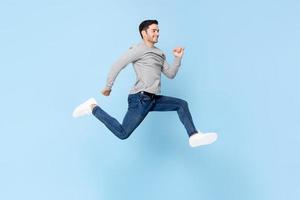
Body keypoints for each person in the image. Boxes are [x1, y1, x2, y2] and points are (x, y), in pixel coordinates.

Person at [72, 19, 218, 147]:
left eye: (158, 31)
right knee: (123, 133)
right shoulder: (138, 49)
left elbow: (170, 74)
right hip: (140, 99)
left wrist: (178, 58)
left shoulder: (160, 53)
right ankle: (92, 107)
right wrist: (108, 86)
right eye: (154, 30)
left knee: (182, 104)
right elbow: (118, 64)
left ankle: (193, 136)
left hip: (152, 99)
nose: (157, 33)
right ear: (144, 32)